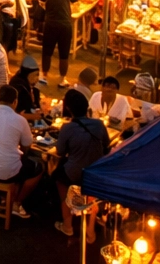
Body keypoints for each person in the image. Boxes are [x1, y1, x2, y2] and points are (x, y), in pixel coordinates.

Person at [0, 86, 42, 219]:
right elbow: (27, 144)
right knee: (38, 168)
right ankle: (16, 203)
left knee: (10, 161)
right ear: (15, 102)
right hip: (6, 171)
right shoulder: (20, 120)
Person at [54, 89, 110, 237]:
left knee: (60, 182)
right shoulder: (99, 124)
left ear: (68, 108)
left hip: (76, 173)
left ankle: (68, 226)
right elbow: (106, 143)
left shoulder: (67, 128)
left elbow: (60, 152)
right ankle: (90, 227)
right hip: (96, 172)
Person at [37, 0, 78, 86]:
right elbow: (75, 3)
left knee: (47, 51)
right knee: (64, 52)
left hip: (50, 23)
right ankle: (62, 79)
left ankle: (44, 76)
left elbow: (41, 1)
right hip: (65, 24)